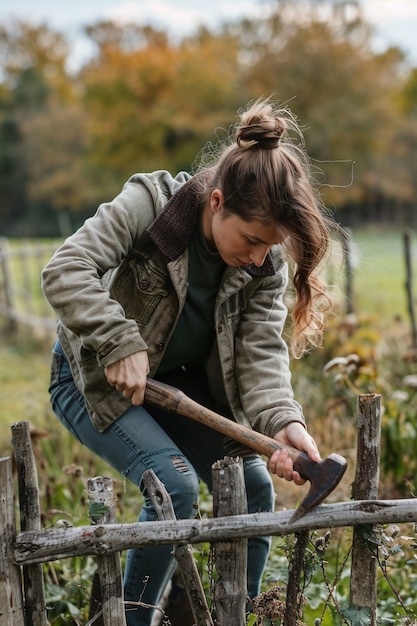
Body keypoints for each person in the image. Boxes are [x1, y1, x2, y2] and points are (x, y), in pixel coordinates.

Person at [42, 97, 337, 626]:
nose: (256, 256)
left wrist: (283, 421)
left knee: (253, 488)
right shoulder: (149, 205)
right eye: (249, 239)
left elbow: (260, 350)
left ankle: (219, 617)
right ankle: (129, 619)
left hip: (176, 389)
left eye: (266, 247)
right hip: (92, 378)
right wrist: (117, 340)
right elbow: (65, 269)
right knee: (173, 486)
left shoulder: (260, 263)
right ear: (217, 201)